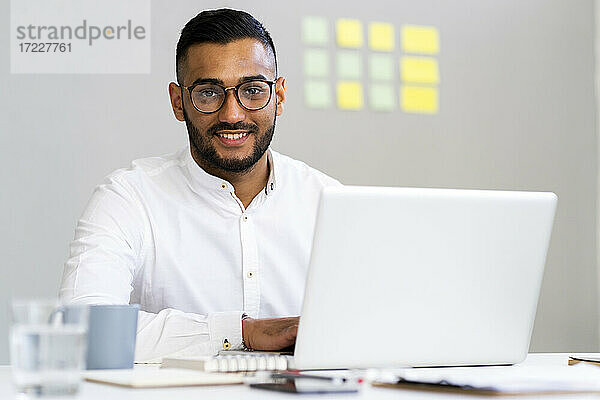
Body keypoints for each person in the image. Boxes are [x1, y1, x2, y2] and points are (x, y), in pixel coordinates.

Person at [59, 8, 341, 362]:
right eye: (209, 93)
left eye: (253, 90)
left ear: (279, 96)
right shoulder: (129, 197)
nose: (233, 114)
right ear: (179, 102)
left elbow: (378, 324)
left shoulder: (331, 202)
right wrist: (242, 333)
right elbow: (82, 329)